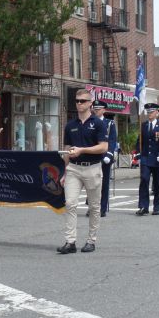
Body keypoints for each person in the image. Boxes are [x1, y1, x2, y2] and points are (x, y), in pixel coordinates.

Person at [58, 89, 108, 254]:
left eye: (83, 101)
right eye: (77, 101)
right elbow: (66, 149)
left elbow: (103, 147)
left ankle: (91, 240)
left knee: (94, 206)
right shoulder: (70, 125)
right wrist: (64, 171)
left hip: (93, 168)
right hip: (73, 168)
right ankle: (70, 241)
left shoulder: (99, 123)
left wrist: (82, 150)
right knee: (70, 203)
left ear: (90, 103)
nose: (79, 103)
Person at [136, 103, 159, 216]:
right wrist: (137, 154)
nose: (149, 114)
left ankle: (157, 206)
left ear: (157, 113)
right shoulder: (144, 125)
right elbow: (139, 141)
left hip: (157, 159)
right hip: (145, 158)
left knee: (158, 183)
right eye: (148, 112)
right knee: (144, 180)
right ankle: (143, 206)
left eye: (151, 112)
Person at [91, 100, 117, 218]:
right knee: (91, 183)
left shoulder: (110, 123)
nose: (96, 110)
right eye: (95, 108)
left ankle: (102, 208)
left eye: (99, 109)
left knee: (104, 183)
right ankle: (92, 206)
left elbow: (112, 140)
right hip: (93, 156)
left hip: (105, 156)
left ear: (104, 110)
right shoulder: (90, 122)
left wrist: (109, 154)